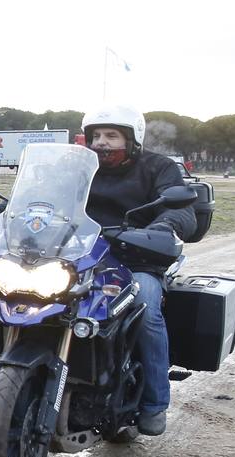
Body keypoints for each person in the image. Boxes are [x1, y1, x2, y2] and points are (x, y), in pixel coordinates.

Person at [80, 104, 196, 436]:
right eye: (96, 135)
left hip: (137, 259)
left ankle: (155, 402)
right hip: (79, 257)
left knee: (144, 306)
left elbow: (182, 212)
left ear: (132, 139)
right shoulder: (79, 167)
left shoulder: (158, 168)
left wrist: (161, 227)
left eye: (111, 135)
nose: (102, 142)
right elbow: (40, 196)